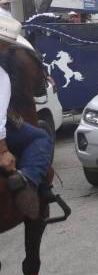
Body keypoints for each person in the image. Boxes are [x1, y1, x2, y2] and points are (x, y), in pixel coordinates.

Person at [0, 15, 54, 221]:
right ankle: (28, 181)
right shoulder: (1, 76)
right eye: (4, 46)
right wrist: (3, 151)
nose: (4, 51)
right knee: (40, 137)